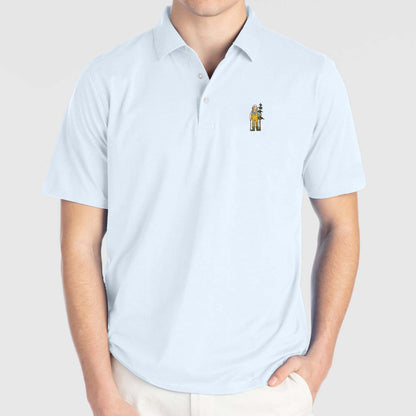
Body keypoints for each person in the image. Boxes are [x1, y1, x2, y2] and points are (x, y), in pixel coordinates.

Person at [41, 1, 366, 415]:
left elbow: (341, 226)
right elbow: (79, 242)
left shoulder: (310, 77)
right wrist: (101, 391)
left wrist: (320, 358)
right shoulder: (107, 80)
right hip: (137, 391)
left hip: (267, 390)